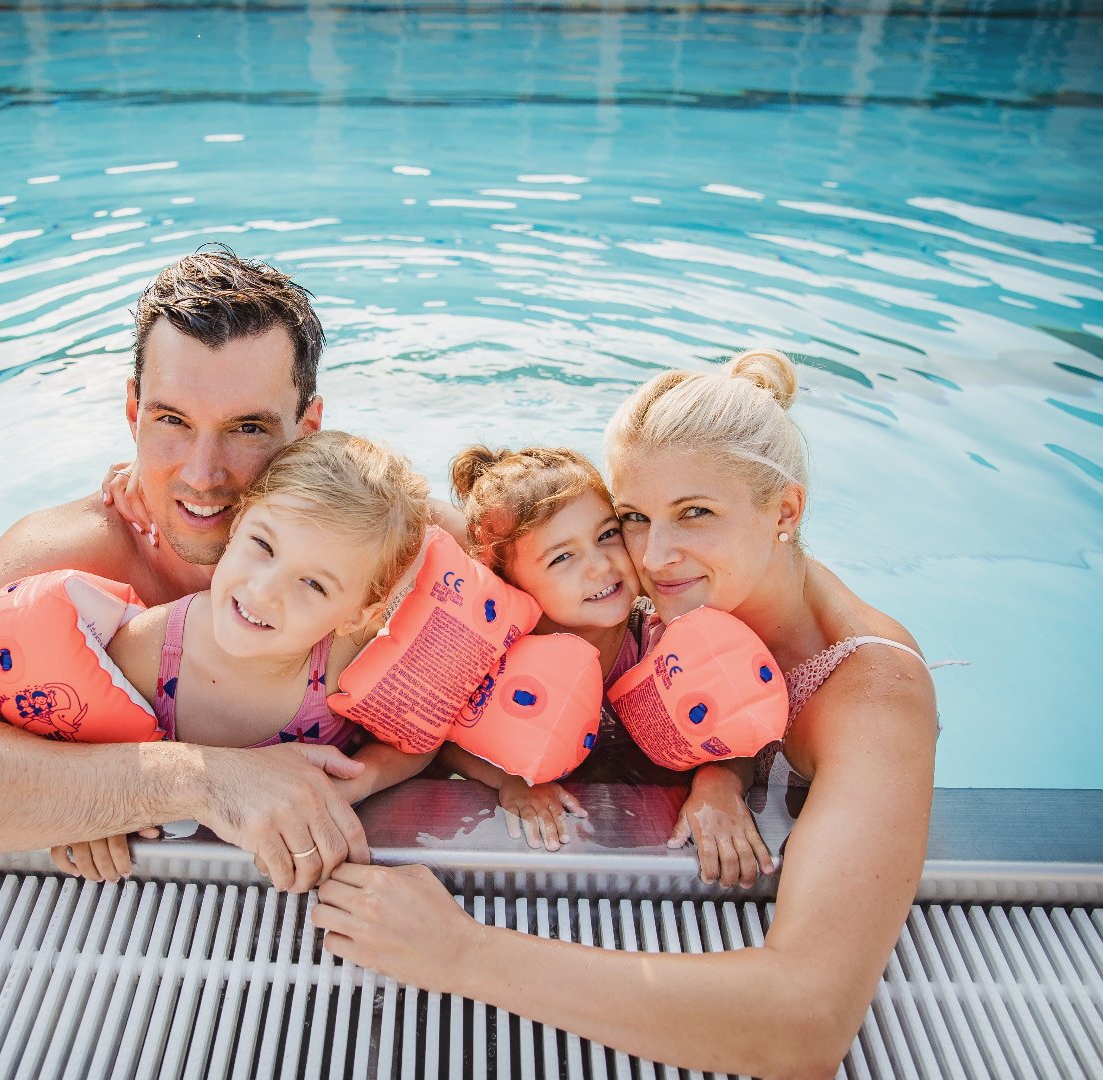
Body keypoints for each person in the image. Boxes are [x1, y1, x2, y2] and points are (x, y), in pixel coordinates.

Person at [311, 348, 938, 1077]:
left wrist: (459, 953)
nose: (655, 556)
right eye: (633, 518)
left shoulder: (874, 694)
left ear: (786, 511)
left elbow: (804, 1025)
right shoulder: (661, 599)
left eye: (695, 514)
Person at [0, 249, 376, 892]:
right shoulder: (63, 558)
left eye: (247, 428)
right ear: (133, 413)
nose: (202, 475)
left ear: (308, 428)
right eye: (171, 420)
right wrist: (186, 781)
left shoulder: (377, 556)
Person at [40, 431, 439, 884]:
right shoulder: (146, 653)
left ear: (356, 615)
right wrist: (94, 808)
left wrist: (360, 780)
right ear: (236, 524)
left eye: (314, 585)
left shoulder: (347, 664)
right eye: (263, 545)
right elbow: (69, 753)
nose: (264, 590)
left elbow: (417, 743)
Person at [442, 445, 776, 885]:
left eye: (606, 536)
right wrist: (509, 781)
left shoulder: (660, 642)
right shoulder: (495, 651)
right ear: (505, 577)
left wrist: (720, 784)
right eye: (563, 557)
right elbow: (445, 741)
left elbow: (737, 731)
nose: (602, 567)